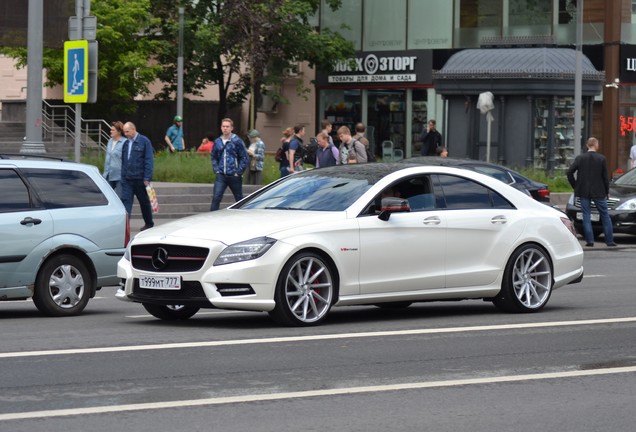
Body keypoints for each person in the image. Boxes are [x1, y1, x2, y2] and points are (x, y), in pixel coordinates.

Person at [566, 137, 616, 247]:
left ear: (587, 145)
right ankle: (609, 241)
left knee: (586, 215)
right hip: (599, 192)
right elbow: (605, 177)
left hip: (583, 191)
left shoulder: (580, 158)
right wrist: (607, 191)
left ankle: (590, 241)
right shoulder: (601, 158)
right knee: (605, 215)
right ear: (596, 145)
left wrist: (576, 186)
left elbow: (569, 172)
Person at [121, 122, 155, 231]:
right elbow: (124, 161)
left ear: (133, 129)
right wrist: (123, 176)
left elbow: (149, 160)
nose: (126, 134)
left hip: (140, 178)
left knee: (144, 202)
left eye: (127, 131)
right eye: (124, 132)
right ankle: (125, 226)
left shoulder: (144, 141)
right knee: (126, 202)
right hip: (127, 179)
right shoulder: (126, 143)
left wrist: (147, 178)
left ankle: (149, 223)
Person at [210, 118, 249, 211]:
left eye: (227, 127)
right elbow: (213, 156)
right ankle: (212, 217)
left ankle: (242, 217)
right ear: (221, 128)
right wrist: (216, 169)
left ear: (232, 128)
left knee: (239, 198)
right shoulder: (217, 141)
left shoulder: (237, 141)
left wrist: (238, 172)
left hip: (234, 175)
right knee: (216, 197)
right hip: (221, 175)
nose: (225, 128)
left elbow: (244, 157)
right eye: (223, 126)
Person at [102, 120, 126, 195]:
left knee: (119, 198)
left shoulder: (125, 142)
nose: (110, 131)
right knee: (107, 196)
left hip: (119, 175)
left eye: (113, 130)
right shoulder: (110, 141)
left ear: (119, 131)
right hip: (108, 173)